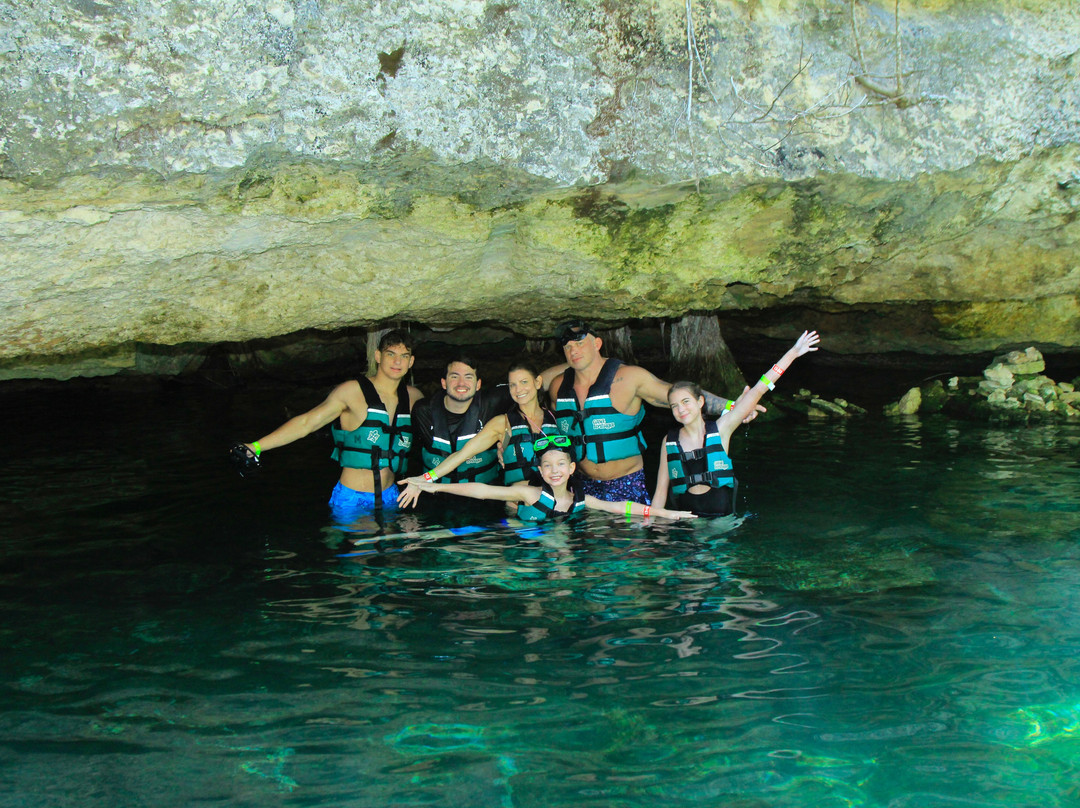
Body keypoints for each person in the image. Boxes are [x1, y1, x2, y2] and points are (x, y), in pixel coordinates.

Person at [548, 319, 758, 505]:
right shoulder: (559, 386)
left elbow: (681, 396)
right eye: (567, 347)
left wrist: (733, 407)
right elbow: (528, 386)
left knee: (633, 549)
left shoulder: (630, 378)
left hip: (626, 482)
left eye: (579, 343)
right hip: (581, 484)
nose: (573, 350)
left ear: (597, 343)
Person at [232, 328, 424, 518]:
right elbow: (307, 423)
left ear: (411, 362)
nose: (397, 361)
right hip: (352, 498)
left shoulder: (414, 397)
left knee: (393, 549)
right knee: (362, 548)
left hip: (391, 496)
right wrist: (256, 446)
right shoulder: (351, 392)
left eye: (404, 356)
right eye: (391, 354)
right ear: (378, 356)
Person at [654, 330, 820, 517]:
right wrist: (653, 530)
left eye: (686, 402)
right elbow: (660, 491)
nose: (681, 409)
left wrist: (793, 352)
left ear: (700, 402)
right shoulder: (668, 441)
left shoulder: (722, 428)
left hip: (721, 523)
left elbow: (760, 388)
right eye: (674, 406)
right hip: (686, 525)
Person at [407, 436, 696, 522]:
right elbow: (483, 491)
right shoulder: (531, 495)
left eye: (560, 464)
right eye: (548, 466)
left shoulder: (582, 501)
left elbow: (623, 508)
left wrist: (665, 513)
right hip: (526, 542)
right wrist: (433, 486)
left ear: (572, 468)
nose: (554, 470)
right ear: (541, 472)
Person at [397, 358, 563, 508]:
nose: (519, 389)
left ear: (538, 382)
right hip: (519, 506)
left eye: (524, 382)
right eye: (512, 385)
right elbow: (461, 455)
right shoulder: (501, 423)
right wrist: (425, 479)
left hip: (559, 503)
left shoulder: (557, 419)